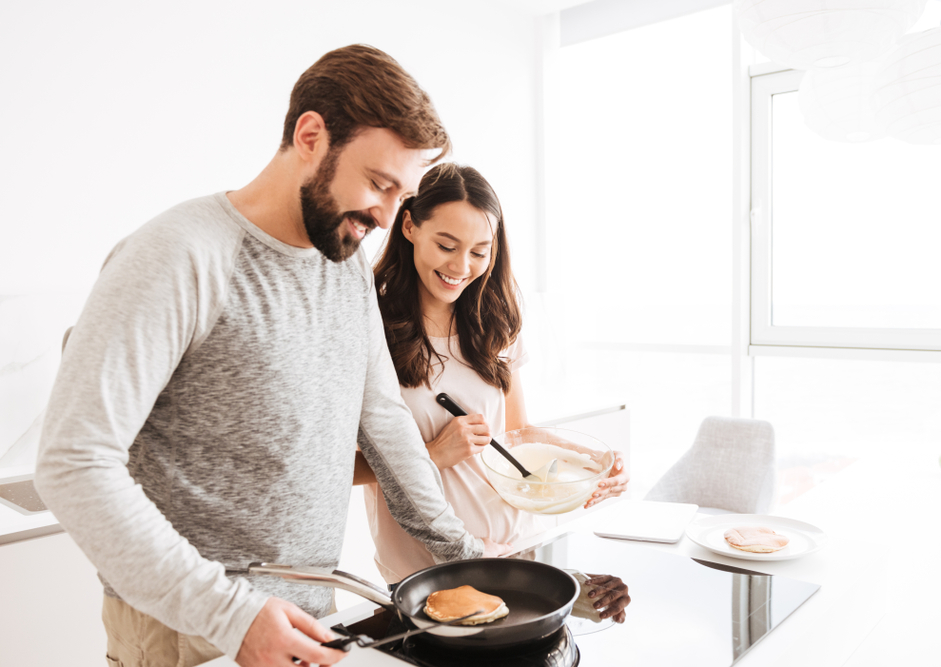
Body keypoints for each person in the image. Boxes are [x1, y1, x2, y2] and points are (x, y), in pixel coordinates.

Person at [34, 45, 506, 667]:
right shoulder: (179, 255)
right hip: (189, 630)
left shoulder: (346, 267)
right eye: (378, 183)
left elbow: (383, 418)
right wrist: (230, 614)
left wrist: (464, 557)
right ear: (310, 136)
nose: (390, 216)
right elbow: (73, 463)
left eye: (404, 194)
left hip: (309, 619)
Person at [354, 163, 630, 620]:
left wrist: (594, 464)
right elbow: (332, 469)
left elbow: (517, 433)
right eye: (446, 245)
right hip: (427, 573)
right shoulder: (369, 328)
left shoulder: (493, 320)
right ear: (408, 226)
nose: (461, 268)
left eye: (480, 252)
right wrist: (432, 454)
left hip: (515, 551)